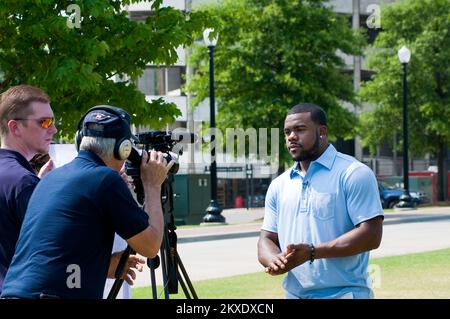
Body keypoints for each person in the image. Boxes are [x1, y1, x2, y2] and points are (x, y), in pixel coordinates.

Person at [1, 105, 173, 299]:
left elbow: (52, 254)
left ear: (79, 140)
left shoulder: (51, 178)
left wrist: (103, 265)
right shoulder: (106, 179)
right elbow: (150, 247)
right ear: (123, 149)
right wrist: (152, 184)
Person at [257, 103, 383, 299]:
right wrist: (275, 260)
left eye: (300, 129)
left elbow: (372, 235)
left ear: (322, 131)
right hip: (293, 295)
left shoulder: (353, 173)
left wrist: (312, 252)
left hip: (344, 294)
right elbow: (267, 239)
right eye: (287, 132)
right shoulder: (279, 185)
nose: (291, 136)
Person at [0, 85, 57, 293]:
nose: (53, 129)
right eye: (45, 122)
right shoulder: (22, 182)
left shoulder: (21, 180)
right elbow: (54, 249)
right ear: (15, 127)